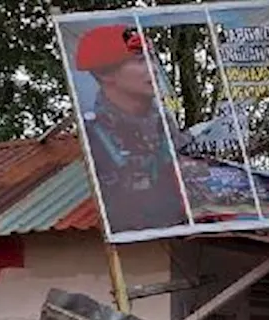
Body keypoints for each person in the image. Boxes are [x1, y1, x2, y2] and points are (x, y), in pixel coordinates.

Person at [74, 25, 192, 233]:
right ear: (105, 74)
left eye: (152, 59)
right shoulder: (95, 136)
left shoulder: (165, 126)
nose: (153, 68)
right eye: (140, 61)